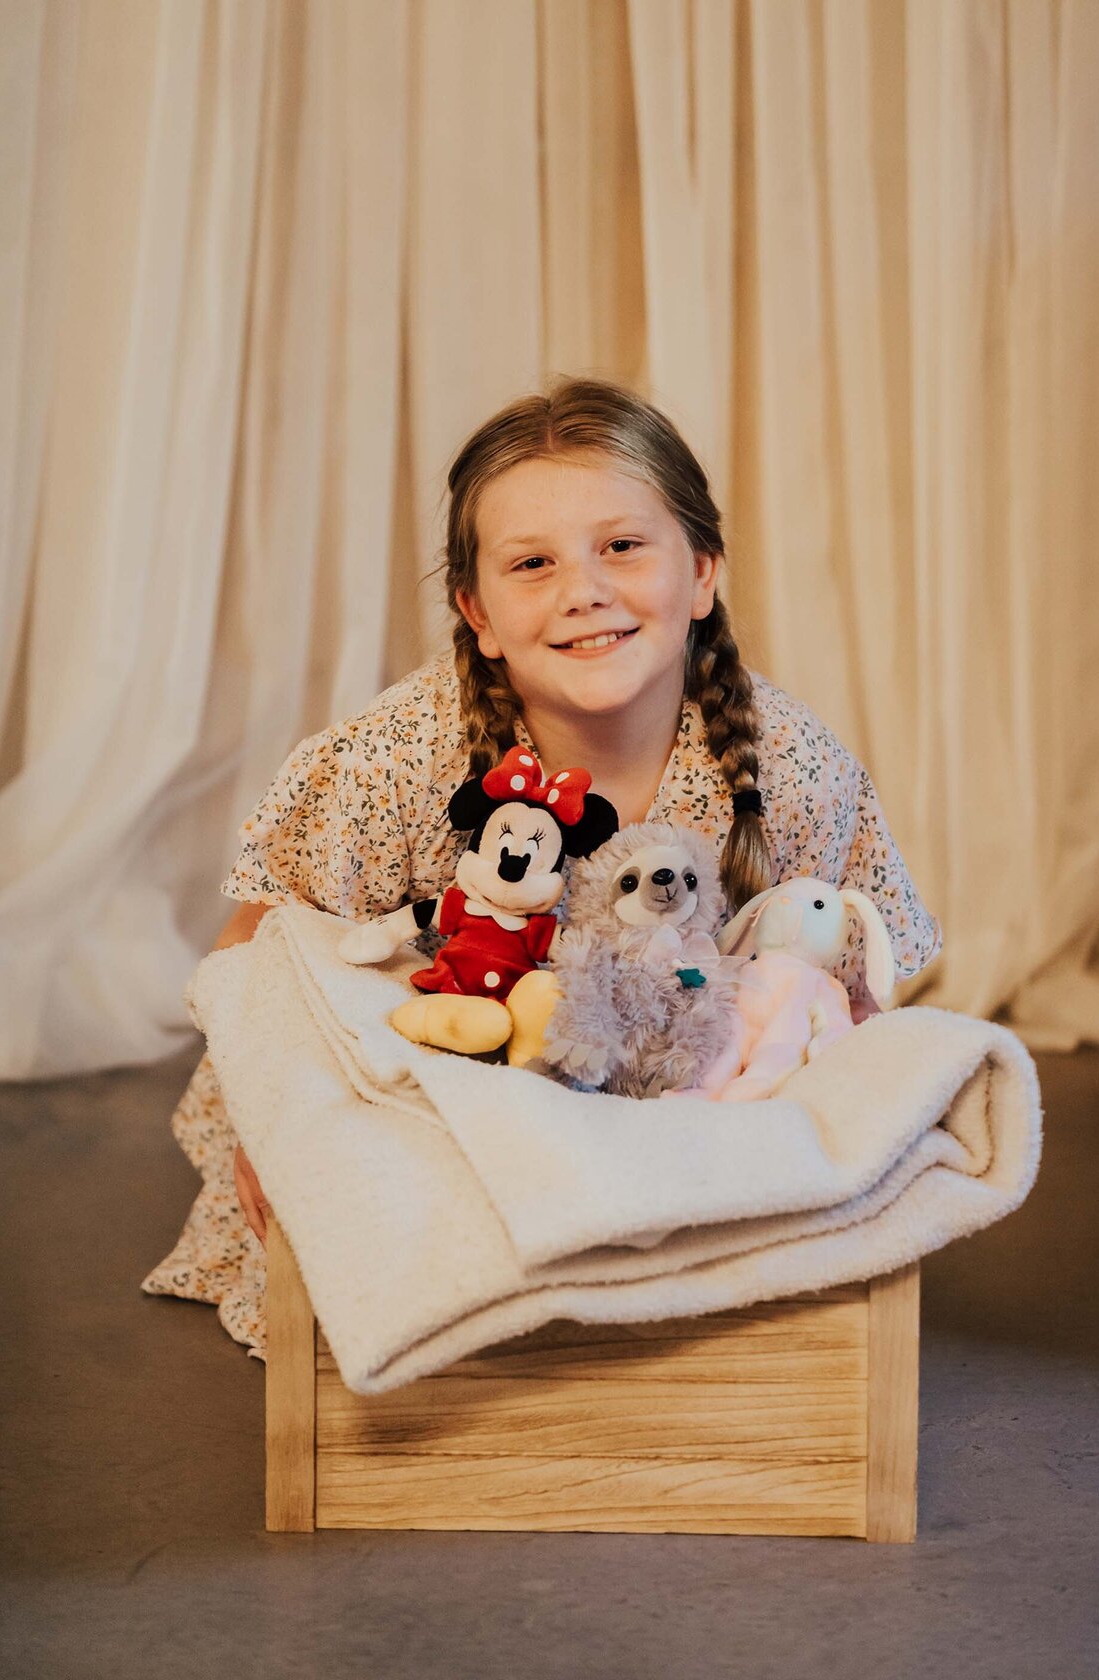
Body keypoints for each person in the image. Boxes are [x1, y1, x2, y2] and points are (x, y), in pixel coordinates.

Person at [143, 376, 940, 1357]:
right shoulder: (401, 755)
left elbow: (856, 982)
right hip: (443, 1099)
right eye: (533, 562)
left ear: (700, 573)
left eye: (621, 546)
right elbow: (259, 951)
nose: (583, 590)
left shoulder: (783, 763)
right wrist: (277, 1124)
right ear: (477, 612)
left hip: (673, 1112)